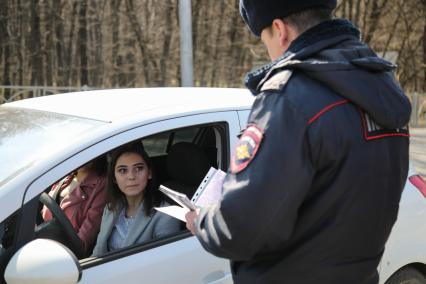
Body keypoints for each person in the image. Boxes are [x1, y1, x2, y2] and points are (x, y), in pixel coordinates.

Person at [185, 1, 411, 283]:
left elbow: (240, 231)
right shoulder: (381, 90)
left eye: (264, 40)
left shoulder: (290, 98)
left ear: (279, 30)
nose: (269, 52)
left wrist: (203, 220)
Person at [92, 142, 181, 256]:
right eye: (123, 170)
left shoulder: (166, 215)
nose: (131, 176)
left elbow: (163, 262)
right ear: (114, 178)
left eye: (138, 168)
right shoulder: (110, 208)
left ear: (149, 173)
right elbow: (98, 253)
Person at [42, 155, 108, 254]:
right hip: (42, 242)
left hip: (64, 255)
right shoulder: (66, 176)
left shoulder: (101, 184)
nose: (82, 157)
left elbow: (83, 241)